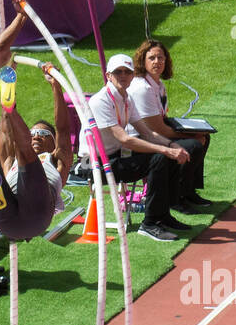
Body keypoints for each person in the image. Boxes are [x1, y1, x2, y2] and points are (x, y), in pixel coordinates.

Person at [82, 54, 192, 242]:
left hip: (115, 155)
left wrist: (172, 145)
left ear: (133, 76)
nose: (123, 75)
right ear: (108, 75)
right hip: (94, 164)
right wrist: (164, 150)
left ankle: (163, 214)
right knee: (159, 158)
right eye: (118, 72)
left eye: (127, 72)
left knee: (166, 156)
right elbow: (124, 139)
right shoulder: (101, 101)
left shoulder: (126, 98)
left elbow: (147, 132)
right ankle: (150, 223)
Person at [0, 63, 74, 242]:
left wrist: (56, 85)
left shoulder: (58, 159)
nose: (37, 137)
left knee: (25, 152)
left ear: (54, 144)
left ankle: (11, 106)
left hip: (36, 216)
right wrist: (6, 89)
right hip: (7, 222)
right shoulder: (9, 161)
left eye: (43, 134)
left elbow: (63, 127)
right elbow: (5, 131)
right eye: (33, 133)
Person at [127, 40, 213, 212]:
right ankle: (175, 198)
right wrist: (190, 136)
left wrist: (192, 130)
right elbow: (157, 130)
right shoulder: (142, 88)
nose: (157, 62)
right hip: (139, 142)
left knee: (204, 137)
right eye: (151, 58)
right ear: (143, 61)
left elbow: (163, 119)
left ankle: (187, 191)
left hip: (153, 132)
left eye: (160, 58)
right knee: (194, 144)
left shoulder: (158, 85)